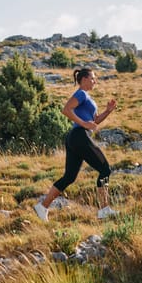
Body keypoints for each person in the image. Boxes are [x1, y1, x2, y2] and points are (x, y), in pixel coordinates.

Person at [34, 68, 118, 221]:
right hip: (79, 135)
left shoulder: (88, 98)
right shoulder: (81, 94)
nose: (95, 81)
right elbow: (66, 110)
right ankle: (104, 209)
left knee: (69, 177)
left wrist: (108, 111)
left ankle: (42, 206)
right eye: (93, 78)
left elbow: (94, 121)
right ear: (84, 79)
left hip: (75, 137)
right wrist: (83, 124)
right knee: (105, 169)